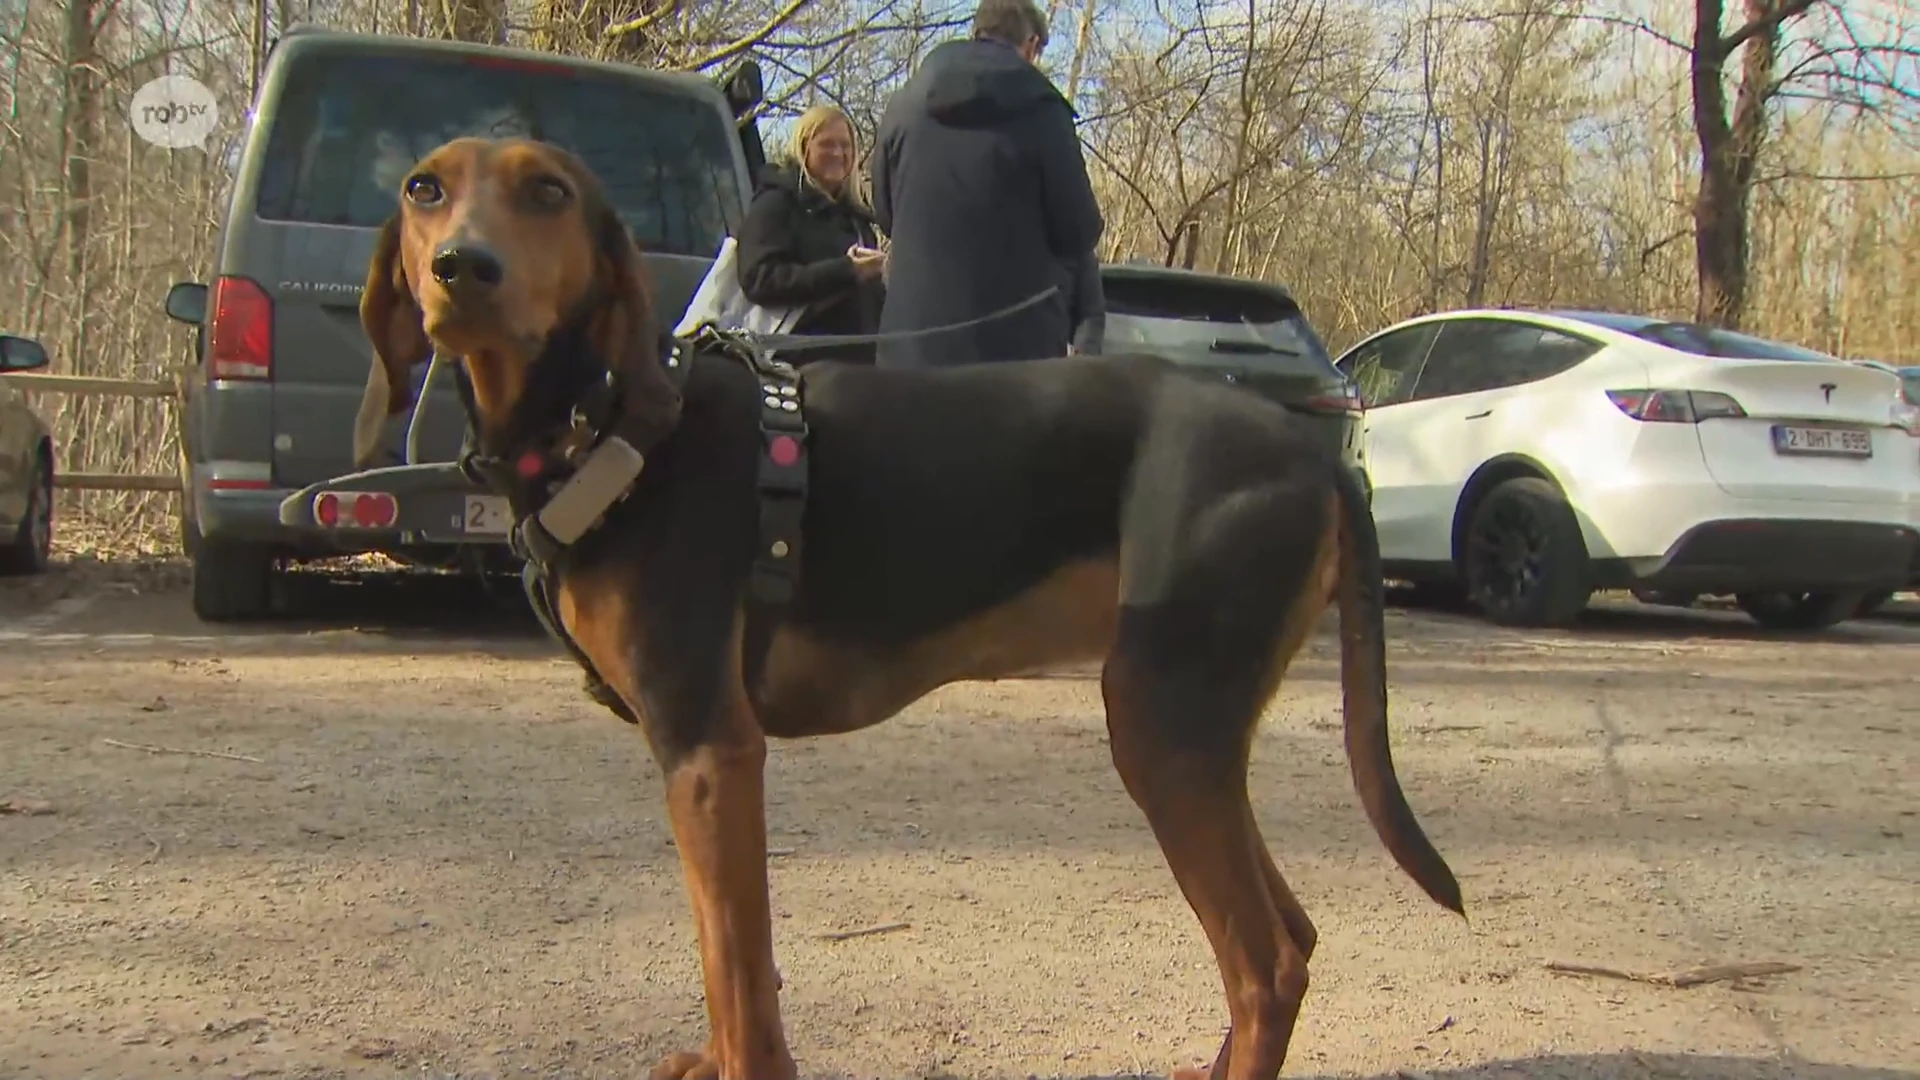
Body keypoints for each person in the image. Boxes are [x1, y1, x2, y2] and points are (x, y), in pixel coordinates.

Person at [869, 0, 1104, 368]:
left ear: (976, 33)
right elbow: (1078, 230)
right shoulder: (1043, 112)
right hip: (1012, 363)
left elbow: (884, 214)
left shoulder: (903, 105)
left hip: (909, 353)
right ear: (1030, 44)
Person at [735, 103, 887, 366]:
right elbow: (758, 278)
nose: (838, 153)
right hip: (799, 370)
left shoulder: (856, 218)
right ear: (804, 148)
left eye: (845, 145)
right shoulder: (777, 203)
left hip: (858, 370)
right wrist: (844, 271)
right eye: (827, 144)